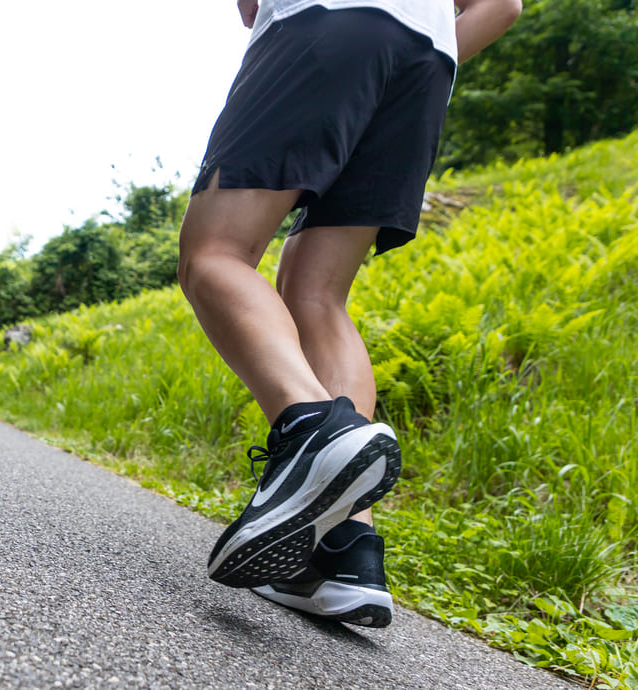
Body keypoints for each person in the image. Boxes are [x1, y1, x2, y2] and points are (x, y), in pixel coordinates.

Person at [177, 0, 521, 627]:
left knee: (215, 253)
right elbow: (502, 6)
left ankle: (310, 427)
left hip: (324, 25)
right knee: (316, 292)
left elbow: (254, 9)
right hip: (426, 64)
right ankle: (346, 551)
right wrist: (419, 48)